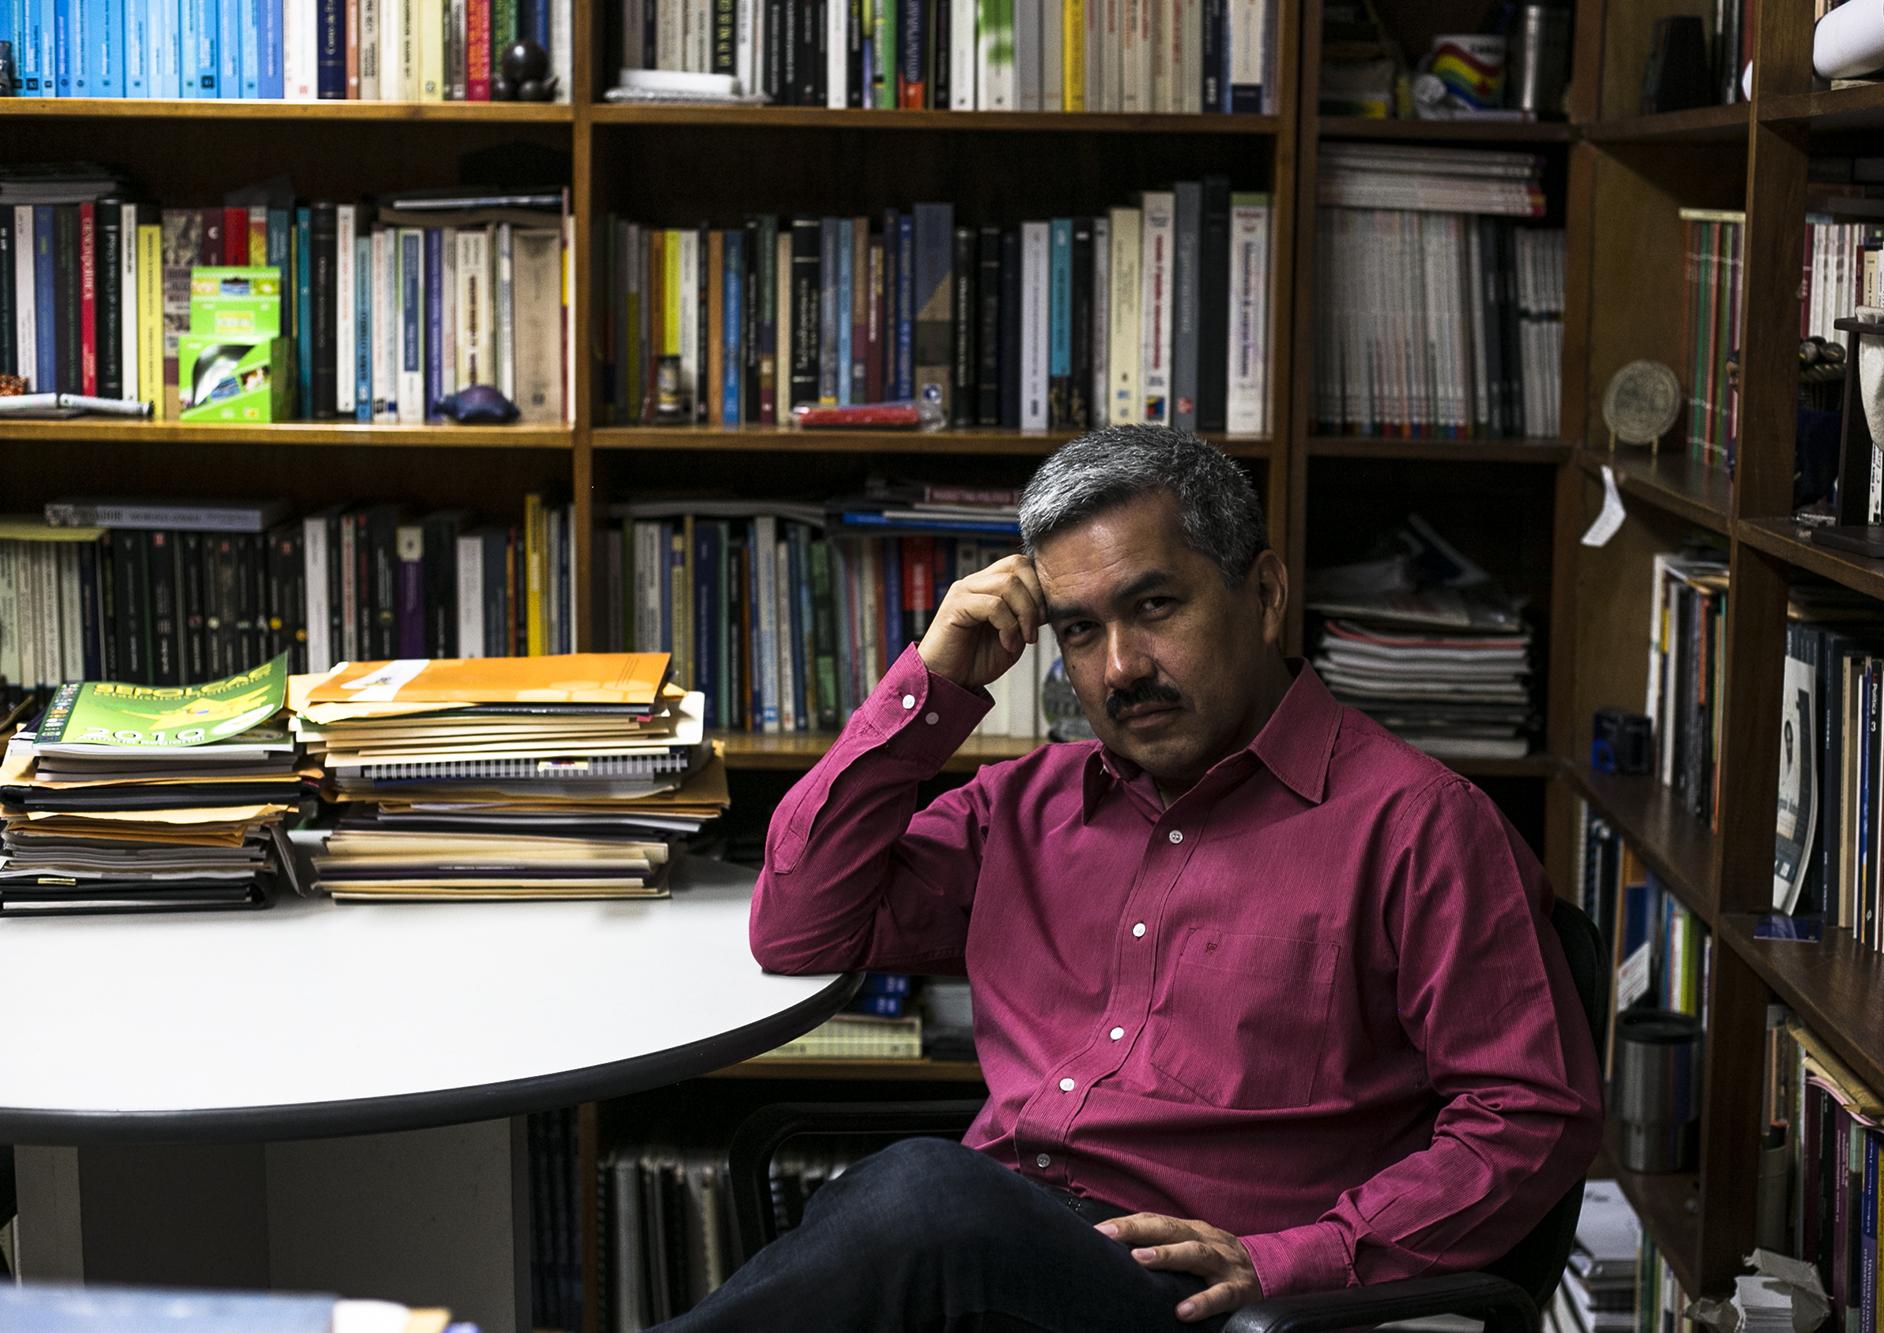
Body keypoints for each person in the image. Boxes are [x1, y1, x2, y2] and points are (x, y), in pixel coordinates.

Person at [659, 425, 1602, 1332]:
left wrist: (1298, 1259)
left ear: (1264, 593)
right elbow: (798, 926)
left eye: (1155, 607)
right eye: (1078, 630)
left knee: (922, 1195)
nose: (1120, 668)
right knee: (919, 1203)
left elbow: (1532, 1115)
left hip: (1212, 1303)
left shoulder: (1419, 824)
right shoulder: (1023, 809)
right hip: (1001, 1266)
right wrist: (933, 681)